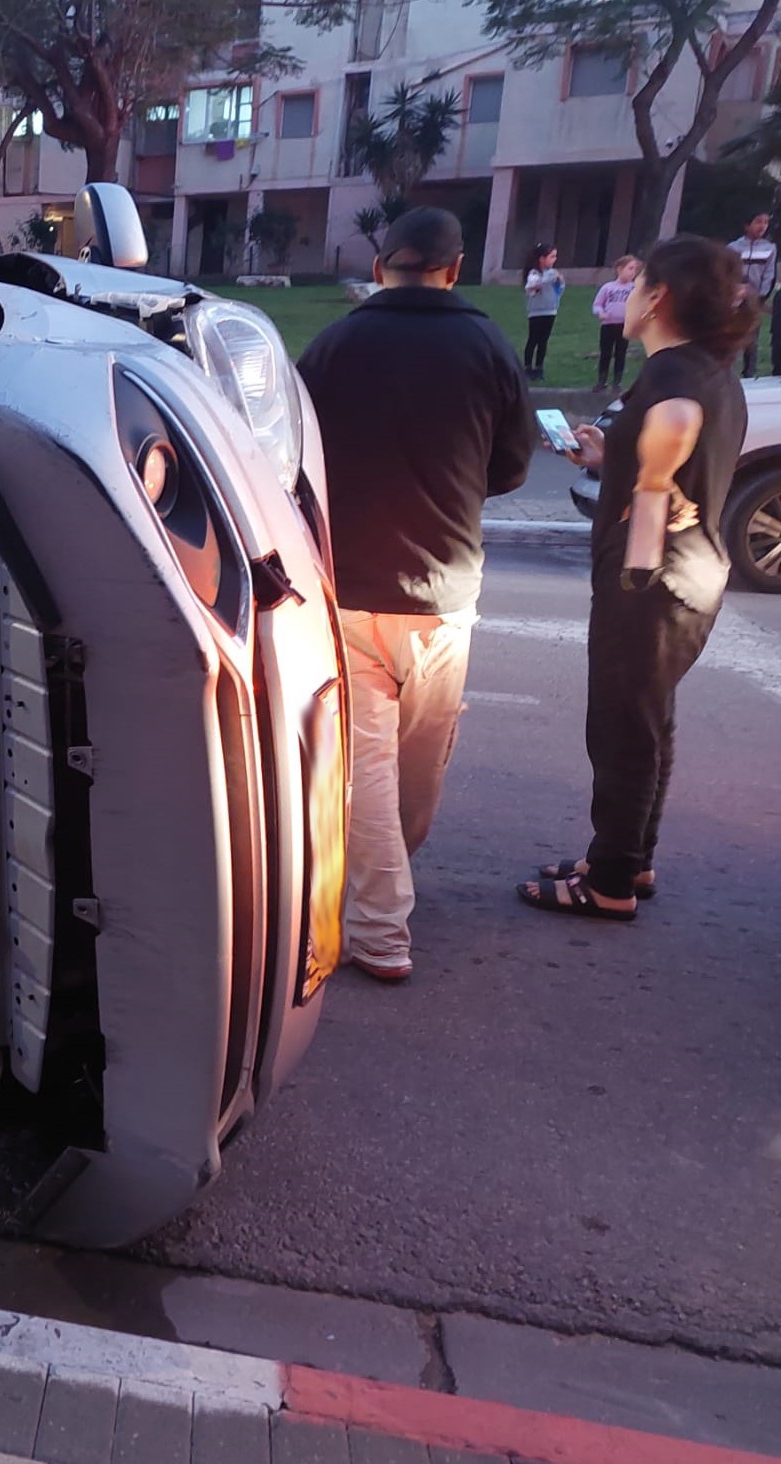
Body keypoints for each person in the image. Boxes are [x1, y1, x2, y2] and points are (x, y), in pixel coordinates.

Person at [297, 207, 535, 982]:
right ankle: (383, 922)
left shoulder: (334, 345)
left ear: (378, 268)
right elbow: (511, 469)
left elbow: (291, 458)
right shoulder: (489, 345)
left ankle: (374, 907)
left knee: (367, 763)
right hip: (446, 593)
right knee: (417, 762)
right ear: (455, 268)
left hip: (351, 587)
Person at [520, 236, 753, 920]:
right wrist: (603, 456)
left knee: (623, 728)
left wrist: (633, 579)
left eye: (638, 283)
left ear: (659, 298)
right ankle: (627, 856)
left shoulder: (676, 383)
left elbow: (665, 464)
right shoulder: (699, 369)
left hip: (654, 582)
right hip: (686, 575)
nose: (628, 295)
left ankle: (610, 883)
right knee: (647, 723)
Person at [726, 210, 776, 378]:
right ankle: (728, 373)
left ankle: (750, 374)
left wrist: (760, 296)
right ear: (747, 225)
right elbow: (728, 273)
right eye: (758, 222)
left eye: (765, 222)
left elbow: (769, 274)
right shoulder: (733, 248)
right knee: (732, 336)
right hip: (735, 300)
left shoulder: (769, 249)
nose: (762, 226)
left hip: (755, 300)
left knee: (752, 339)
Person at [592, 255, 640, 392]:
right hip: (608, 325)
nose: (633, 272)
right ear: (620, 269)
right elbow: (597, 305)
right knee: (605, 353)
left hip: (624, 325)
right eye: (630, 268)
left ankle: (617, 382)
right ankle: (602, 381)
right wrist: (601, 313)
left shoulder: (634, 289)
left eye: (635, 269)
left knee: (621, 353)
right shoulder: (608, 287)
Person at [521, 243, 565, 380]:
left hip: (550, 310)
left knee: (543, 340)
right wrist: (547, 279)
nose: (554, 259)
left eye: (555, 257)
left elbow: (559, 290)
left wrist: (560, 282)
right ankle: (528, 368)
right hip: (536, 311)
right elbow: (531, 287)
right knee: (533, 339)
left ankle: (539, 367)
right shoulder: (534, 273)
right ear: (542, 258)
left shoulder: (553, 273)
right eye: (551, 256)